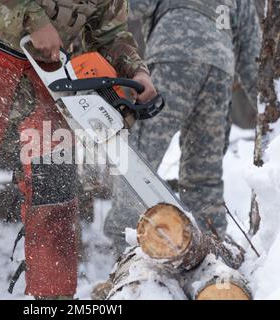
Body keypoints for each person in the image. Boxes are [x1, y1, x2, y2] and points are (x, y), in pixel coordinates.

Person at [0, 0, 157, 300]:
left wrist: (134, 70)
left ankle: (53, 298)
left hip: (52, 72)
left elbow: (110, 32)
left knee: (55, 191)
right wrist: (35, 20)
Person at [104, 0, 262, 256]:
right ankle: (211, 253)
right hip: (220, 69)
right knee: (204, 173)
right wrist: (270, 111)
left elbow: (126, 8)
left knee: (138, 161)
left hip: (172, 58)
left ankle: (124, 247)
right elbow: (251, 58)